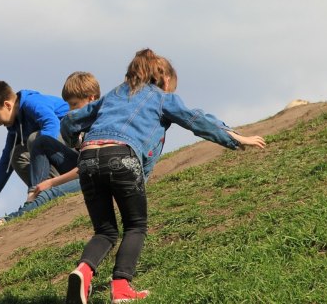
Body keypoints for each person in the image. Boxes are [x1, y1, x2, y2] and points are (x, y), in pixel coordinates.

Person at [60, 49, 266, 303]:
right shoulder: (160, 97)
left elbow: (70, 121)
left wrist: (77, 143)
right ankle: (122, 288)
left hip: (88, 159)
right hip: (122, 157)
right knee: (135, 225)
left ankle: (82, 272)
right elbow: (196, 119)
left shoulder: (113, 94)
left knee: (105, 231)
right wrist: (235, 137)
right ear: (166, 81)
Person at [0, 80, 70, 220]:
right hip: (56, 156)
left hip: (74, 151)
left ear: (7, 105)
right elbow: (4, 166)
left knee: (34, 140)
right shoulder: (15, 128)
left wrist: (32, 189)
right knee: (15, 155)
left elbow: (52, 124)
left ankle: (37, 195)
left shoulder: (32, 102)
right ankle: (49, 194)